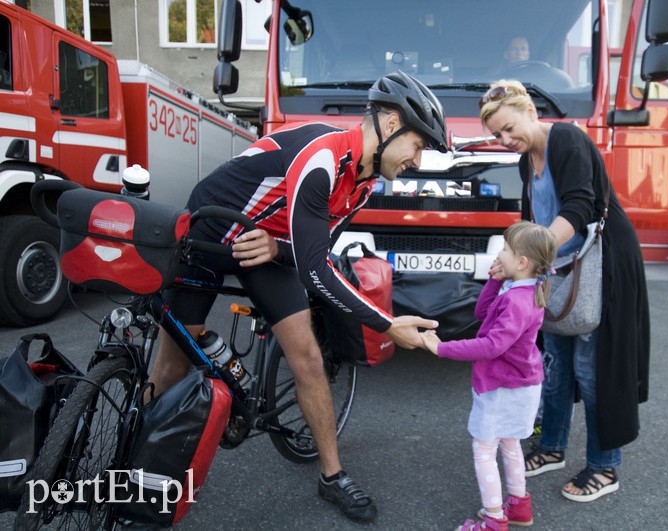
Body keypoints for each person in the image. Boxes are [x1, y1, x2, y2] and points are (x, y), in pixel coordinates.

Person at [148, 71, 447, 523]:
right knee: (172, 364)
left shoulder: (363, 183)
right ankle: (134, 466)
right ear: (390, 125)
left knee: (306, 354)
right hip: (210, 236)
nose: (418, 161)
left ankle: (332, 474)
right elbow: (316, 269)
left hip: (268, 248)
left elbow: (312, 251)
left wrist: (274, 247)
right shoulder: (323, 158)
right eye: (419, 145)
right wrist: (386, 323)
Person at [478, 80, 650, 503]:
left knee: (593, 374)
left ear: (531, 112)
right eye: (497, 135)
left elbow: (578, 208)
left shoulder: (567, 139)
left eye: (508, 128)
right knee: (554, 368)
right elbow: (530, 220)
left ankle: (604, 466)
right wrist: (513, 257)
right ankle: (552, 446)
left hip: (600, 266)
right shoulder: (526, 160)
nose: (505, 140)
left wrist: (529, 258)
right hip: (558, 266)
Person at [421, 221, 558, 531]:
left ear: (522, 262)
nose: (500, 253)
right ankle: (519, 506)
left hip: (502, 386)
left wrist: (441, 348)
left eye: (506, 249)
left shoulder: (516, 300)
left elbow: (491, 345)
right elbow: (482, 313)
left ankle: (494, 518)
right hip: (520, 383)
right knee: (510, 444)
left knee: (484, 448)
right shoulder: (522, 289)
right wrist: (495, 280)